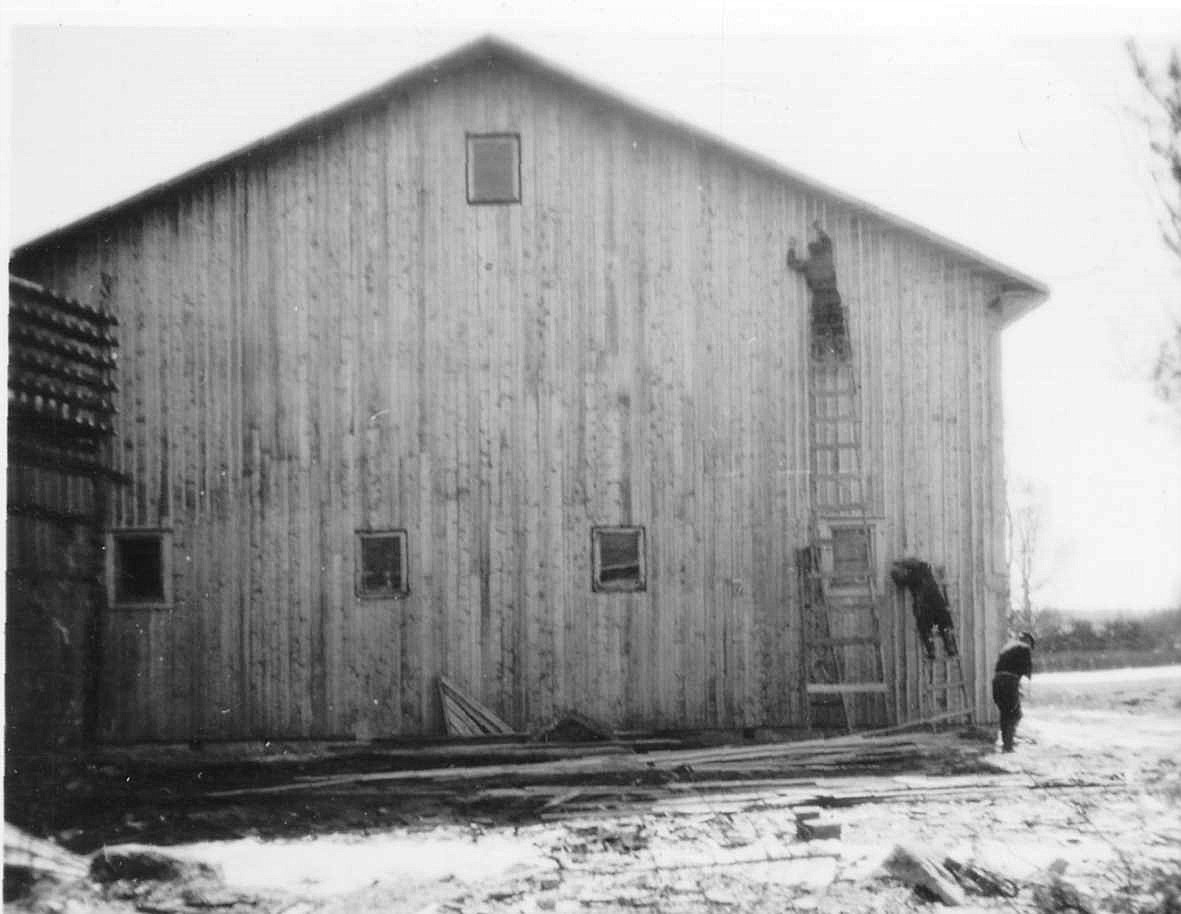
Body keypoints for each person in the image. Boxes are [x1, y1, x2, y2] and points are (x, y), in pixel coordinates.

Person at [787, 220, 850, 359]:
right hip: (833, 295)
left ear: (811, 252)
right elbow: (828, 241)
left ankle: (820, 352)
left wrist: (791, 247)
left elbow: (792, 263)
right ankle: (841, 351)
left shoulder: (808, 264)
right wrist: (819, 229)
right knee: (837, 324)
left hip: (820, 298)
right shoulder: (828, 257)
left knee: (820, 325)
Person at [992, 632, 1035, 752]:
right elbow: (1026, 672)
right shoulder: (1025, 648)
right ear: (1028, 642)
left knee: (1005, 713)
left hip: (997, 681)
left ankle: (1007, 742)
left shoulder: (1007, 647)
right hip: (1009, 681)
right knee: (1015, 714)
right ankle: (1008, 746)